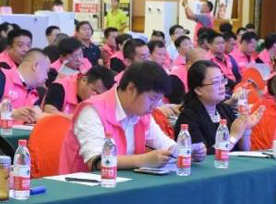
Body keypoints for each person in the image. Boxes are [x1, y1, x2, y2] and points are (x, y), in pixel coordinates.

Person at [60, 61, 207, 172]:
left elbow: (164, 143)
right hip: (83, 189)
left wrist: (185, 152)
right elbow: (97, 161)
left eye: (158, 100)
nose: (155, 106)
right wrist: (143, 160)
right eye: (152, 98)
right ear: (131, 89)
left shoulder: (141, 113)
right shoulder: (92, 110)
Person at [174, 60, 262, 152]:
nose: (222, 86)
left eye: (222, 80)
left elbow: (244, 149)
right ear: (198, 90)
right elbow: (204, 156)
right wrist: (233, 137)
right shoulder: (188, 118)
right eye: (216, 82)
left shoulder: (224, 109)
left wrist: (245, 128)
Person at [0, 49, 50, 127]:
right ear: (36, 65)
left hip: (12, 133)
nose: (47, 77)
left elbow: (38, 115)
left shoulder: (33, 92)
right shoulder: (0, 77)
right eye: (46, 71)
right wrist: (13, 113)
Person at [43, 65, 115, 116]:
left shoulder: (102, 99)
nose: (97, 97)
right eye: (96, 91)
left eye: (101, 95)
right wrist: (76, 120)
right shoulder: (60, 86)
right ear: (84, 80)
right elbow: (49, 112)